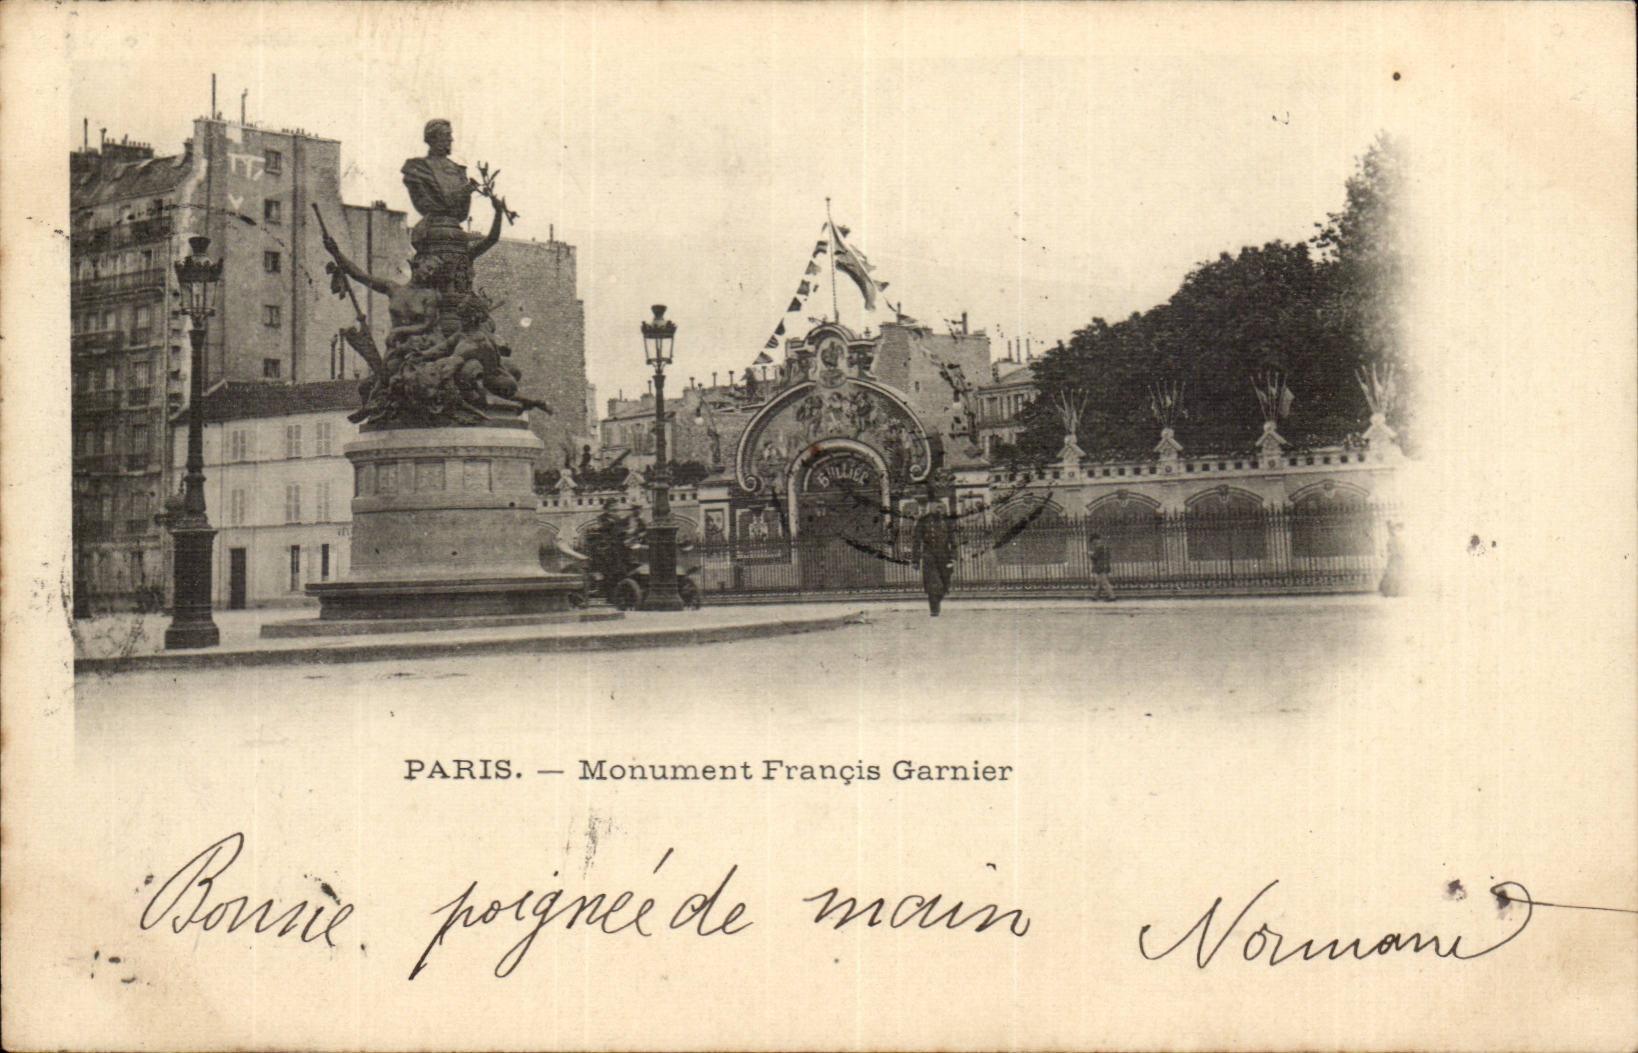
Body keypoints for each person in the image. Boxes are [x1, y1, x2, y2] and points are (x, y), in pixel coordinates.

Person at [912, 499, 957, 617]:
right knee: (933, 585)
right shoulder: (923, 521)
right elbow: (916, 541)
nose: (939, 510)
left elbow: (953, 541)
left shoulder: (947, 521)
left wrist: (953, 557)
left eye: (941, 507)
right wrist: (915, 560)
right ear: (931, 508)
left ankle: (937, 602)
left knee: (944, 585)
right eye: (937, 507)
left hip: (944, 556)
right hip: (929, 556)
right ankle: (934, 610)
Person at [1089, 532, 1115, 601]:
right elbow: (1108, 556)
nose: (1093, 544)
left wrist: (1090, 554)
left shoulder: (1098, 547)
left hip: (1100, 567)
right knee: (1100, 582)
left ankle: (1111, 596)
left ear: (1094, 540)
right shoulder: (1105, 547)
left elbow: (1094, 557)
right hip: (1105, 566)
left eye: (1093, 542)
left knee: (1104, 582)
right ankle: (1095, 597)